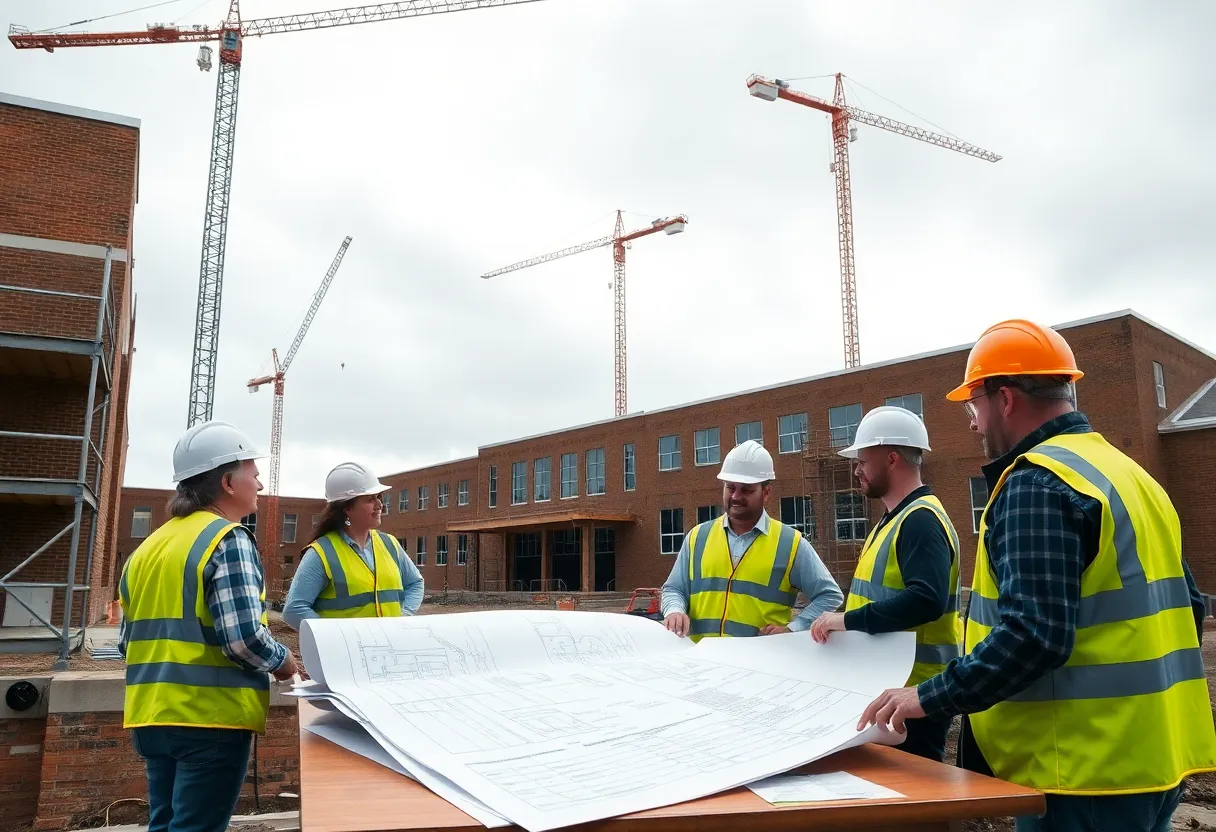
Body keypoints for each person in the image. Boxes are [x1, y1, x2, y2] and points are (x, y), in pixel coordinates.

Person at [857, 319, 1216, 832]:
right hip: (1156, 760)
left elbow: (1033, 635)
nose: (973, 422)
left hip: (1083, 770)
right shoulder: (1130, 475)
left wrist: (927, 696)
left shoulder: (1036, 483)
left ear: (1004, 399)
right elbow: (1191, 605)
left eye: (974, 405)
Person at [117, 420, 299, 832]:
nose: (260, 485)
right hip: (208, 720)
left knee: (164, 825)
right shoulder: (228, 540)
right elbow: (244, 641)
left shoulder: (148, 548)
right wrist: (285, 661)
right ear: (228, 482)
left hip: (151, 717)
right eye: (254, 474)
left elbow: (129, 644)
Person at [809, 405, 962, 762]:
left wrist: (844, 620)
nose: (856, 469)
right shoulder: (893, 520)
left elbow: (926, 599)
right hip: (890, 691)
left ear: (892, 459)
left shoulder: (920, 521)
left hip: (914, 697)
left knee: (914, 806)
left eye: (863, 460)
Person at [661, 439, 843, 640]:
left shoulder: (790, 543)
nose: (736, 496)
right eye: (731, 487)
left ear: (766, 493)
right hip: (702, 661)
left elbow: (829, 596)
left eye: (746, 490)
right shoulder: (697, 537)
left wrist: (793, 628)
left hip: (758, 664)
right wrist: (674, 610)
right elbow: (674, 588)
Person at [283, 461, 423, 630]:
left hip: (388, 649)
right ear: (347, 508)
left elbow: (415, 583)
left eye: (379, 497)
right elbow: (294, 610)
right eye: (370, 499)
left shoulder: (390, 544)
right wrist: (340, 638)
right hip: (346, 655)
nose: (379, 505)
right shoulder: (321, 552)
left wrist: (403, 616)